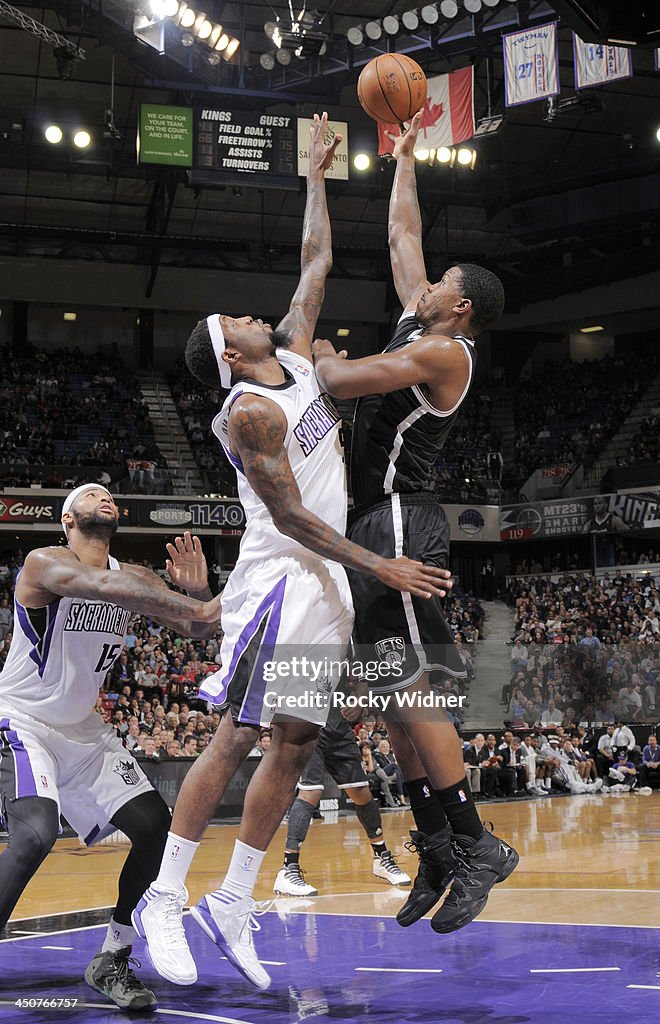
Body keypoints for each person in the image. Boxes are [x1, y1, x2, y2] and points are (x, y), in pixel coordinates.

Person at [133, 114, 452, 992]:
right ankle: (163, 895)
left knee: (298, 737)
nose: (252, 313)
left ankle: (234, 897)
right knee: (238, 733)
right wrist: (376, 564)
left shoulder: (294, 360)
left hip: (324, 583)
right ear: (230, 353)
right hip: (283, 574)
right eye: (236, 317)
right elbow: (296, 520)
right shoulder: (250, 413)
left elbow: (315, 262)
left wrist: (316, 173)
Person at [312, 109, 517, 936]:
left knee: (412, 687)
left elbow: (343, 382)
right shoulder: (422, 318)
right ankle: (435, 839)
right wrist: (401, 159)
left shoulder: (444, 353)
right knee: (390, 699)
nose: (422, 285)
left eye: (439, 286)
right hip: (373, 525)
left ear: (459, 307)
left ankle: (475, 843)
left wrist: (321, 355)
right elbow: (403, 243)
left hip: (400, 519)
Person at [0, 483, 221, 1011]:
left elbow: (193, 629)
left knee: (154, 828)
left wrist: (195, 596)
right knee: (34, 834)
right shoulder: (43, 562)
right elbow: (99, 585)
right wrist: (195, 605)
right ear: (66, 518)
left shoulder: (137, 577)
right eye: (90, 493)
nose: (103, 496)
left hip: (84, 731)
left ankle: (113, 956)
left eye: (108, 494)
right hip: (23, 718)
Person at [273, 707, 410, 897]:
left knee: (362, 793)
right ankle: (289, 868)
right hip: (305, 721)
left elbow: (361, 680)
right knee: (310, 791)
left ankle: (382, 857)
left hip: (337, 725)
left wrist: (359, 700)